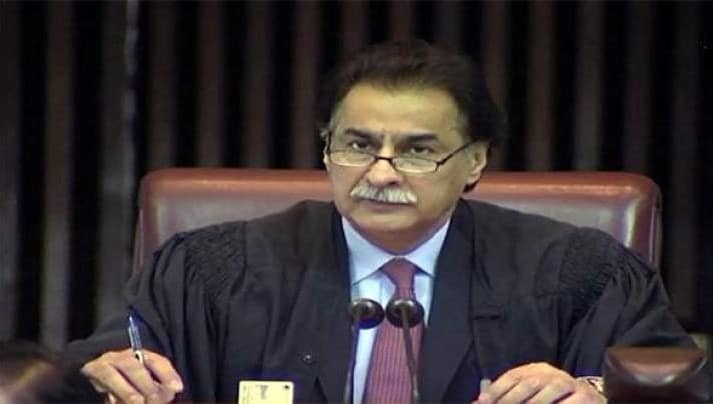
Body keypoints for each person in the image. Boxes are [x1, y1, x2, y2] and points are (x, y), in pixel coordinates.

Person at [64, 40, 694, 403]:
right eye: (358, 145)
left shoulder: (575, 272)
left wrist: (596, 391)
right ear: (325, 149)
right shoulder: (214, 269)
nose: (381, 173)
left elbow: (671, 382)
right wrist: (110, 371)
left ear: (475, 161)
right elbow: (103, 360)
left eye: (417, 151)